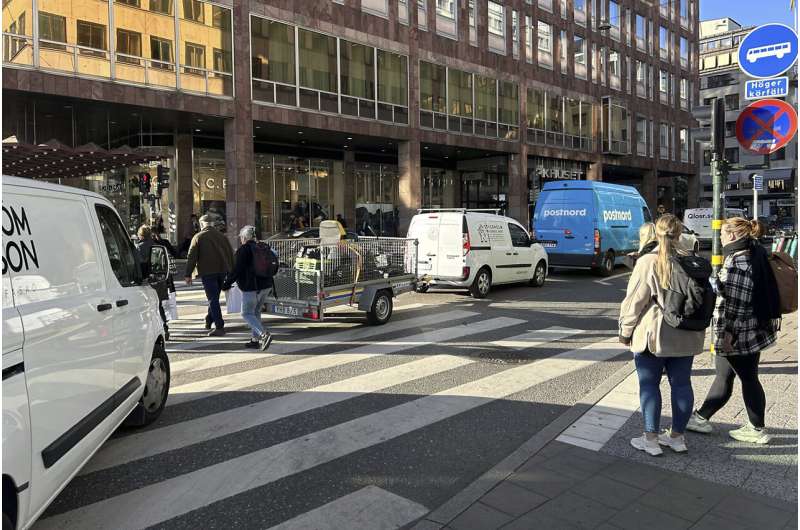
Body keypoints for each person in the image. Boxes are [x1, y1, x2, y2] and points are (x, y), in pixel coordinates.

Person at [687, 218, 781, 444]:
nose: (719, 238)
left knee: (746, 378)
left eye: (721, 234)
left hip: (738, 334)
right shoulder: (753, 253)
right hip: (752, 330)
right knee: (727, 375)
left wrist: (729, 334)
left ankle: (757, 428)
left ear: (732, 235)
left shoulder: (737, 260)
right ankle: (701, 417)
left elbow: (736, 303)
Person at [619, 214, 707, 456]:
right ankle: (677, 438)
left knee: (649, 385)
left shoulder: (648, 261)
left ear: (656, 233)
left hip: (656, 334)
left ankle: (651, 440)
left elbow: (634, 301)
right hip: (688, 334)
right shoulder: (693, 259)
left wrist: (625, 332)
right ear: (680, 233)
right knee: (682, 384)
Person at [222, 226, 274, 350]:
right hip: (266, 286)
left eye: (241, 237)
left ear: (244, 237)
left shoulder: (244, 250)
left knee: (246, 313)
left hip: (252, 287)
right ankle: (255, 340)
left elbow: (236, 270)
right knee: (255, 312)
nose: (240, 239)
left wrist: (226, 284)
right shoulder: (262, 247)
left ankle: (263, 334)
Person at [185, 214, 234, 336]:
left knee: (212, 299)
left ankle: (219, 326)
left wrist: (188, 274)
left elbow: (191, 257)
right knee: (214, 298)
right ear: (213, 224)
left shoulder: (198, 237)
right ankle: (209, 319)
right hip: (222, 271)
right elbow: (231, 254)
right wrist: (232, 271)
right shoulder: (222, 237)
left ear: (202, 225)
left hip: (208, 272)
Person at [135, 225, 170, 340]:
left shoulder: (138, 248)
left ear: (140, 235)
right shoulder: (157, 246)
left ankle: (147, 331)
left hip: (144, 281)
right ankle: (165, 326)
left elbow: (138, 265)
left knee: (144, 308)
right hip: (157, 280)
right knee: (158, 306)